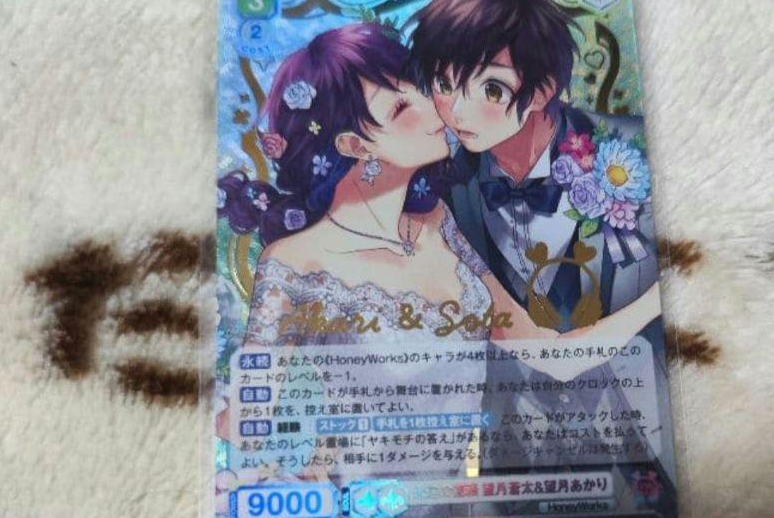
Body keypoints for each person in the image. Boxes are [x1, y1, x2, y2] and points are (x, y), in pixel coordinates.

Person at [218, 22, 660, 374]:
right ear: (355, 146)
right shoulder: (294, 262)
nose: (435, 107)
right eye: (400, 107)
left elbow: (551, 357)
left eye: (419, 86)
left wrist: (660, 296)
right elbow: (247, 418)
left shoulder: (437, 223)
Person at [408, 0, 658, 329]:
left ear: (542, 91)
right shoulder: (443, 179)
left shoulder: (633, 146)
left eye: (492, 89)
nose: (457, 111)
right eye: (444, 84)